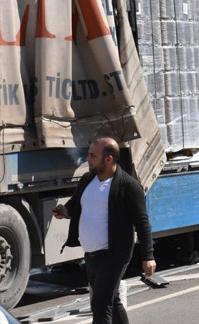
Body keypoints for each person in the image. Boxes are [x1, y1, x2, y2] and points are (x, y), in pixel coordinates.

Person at [52, 136, 155, 324]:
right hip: (91, 254)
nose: (88, 159)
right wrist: (64, 211)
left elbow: (142, 222)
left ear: (108, 159)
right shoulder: (87, 179)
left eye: (93, 156)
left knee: (100, 305)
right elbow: (75, 205)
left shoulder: (128, 186)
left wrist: (148, 256)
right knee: (112, 301)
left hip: (114, 254)